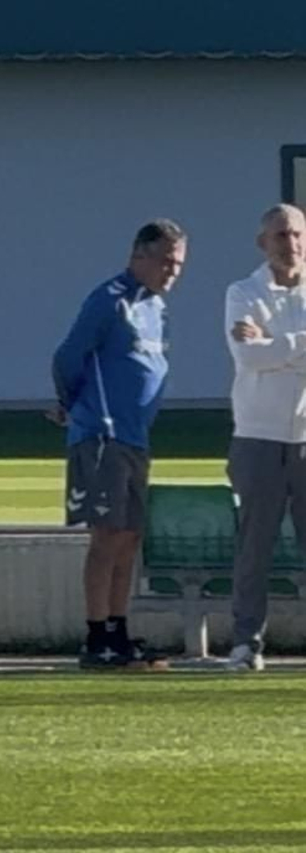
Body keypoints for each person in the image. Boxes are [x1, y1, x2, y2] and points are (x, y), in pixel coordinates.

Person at [50, 220, 186, 671]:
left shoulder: (157, 308)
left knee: (130, 537)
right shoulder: (109, 300)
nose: (172, 271)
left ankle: (119, 630)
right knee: (106, 537)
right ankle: (96, 637)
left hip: (135, 436)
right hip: (102, 435)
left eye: (178, 264)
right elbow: (69, 357)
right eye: (165, 260)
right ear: (139, 255)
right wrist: (74, 406)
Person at [222, 203, 306, 673]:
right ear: (263, 243)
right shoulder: (243, 292)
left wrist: (277, 344)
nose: (289, 243)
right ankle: (246, 642)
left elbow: (267, 351)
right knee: (255, 545)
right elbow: (250, 359)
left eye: (296, 234)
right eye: (280, 235)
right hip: (257, 437)